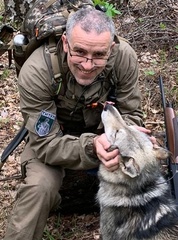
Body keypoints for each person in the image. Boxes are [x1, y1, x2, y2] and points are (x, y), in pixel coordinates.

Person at [3, 7, 151, 240]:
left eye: (99, 55)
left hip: (107, 134)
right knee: (39, 187)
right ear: (65, 43)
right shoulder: (37, 71)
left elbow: (131, 113)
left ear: (111, 49)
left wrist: (122, 139)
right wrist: (93, 147)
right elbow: (44, 144)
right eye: (79, 52)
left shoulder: (124, 57)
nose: (88, 64)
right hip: (55, 137)